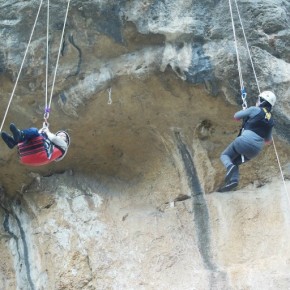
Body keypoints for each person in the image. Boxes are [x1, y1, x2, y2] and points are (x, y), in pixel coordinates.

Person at [219, 91, 276, 192]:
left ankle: (229, 166)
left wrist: (247, 114)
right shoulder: (271, 121)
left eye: (258, 99)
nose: (257, 101)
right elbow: (268, 140)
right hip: (255, 151)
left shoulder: (255, 110)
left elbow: (236, 116)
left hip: (243, 141)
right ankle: (234, 181)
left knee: (225, 156)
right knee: (235, 161)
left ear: (262, 101)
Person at [1, 123, 70, 166]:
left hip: (40, 154)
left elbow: (54, 138)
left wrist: (47, 131)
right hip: (30, 157)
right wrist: (44, 128)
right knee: (31, 135)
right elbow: (39, 136)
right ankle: (13, 141)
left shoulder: (64, 145)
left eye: (63, 136)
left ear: (66, 141)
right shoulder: (50, 146)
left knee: (34, 130)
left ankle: (18, 137)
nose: (60, 136)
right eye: (59, 134)